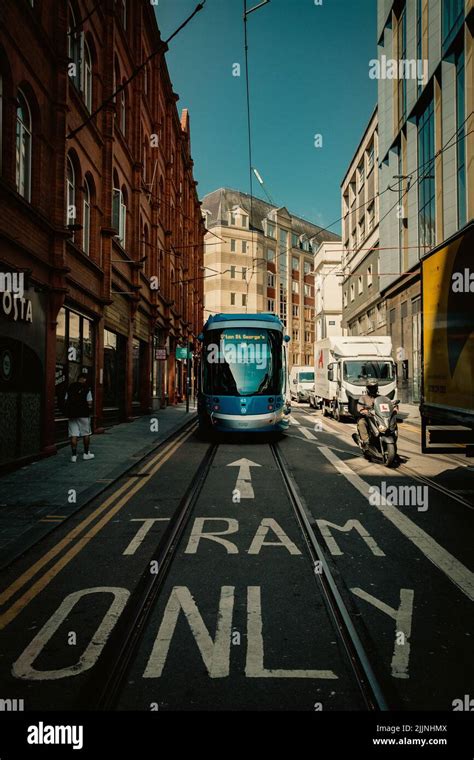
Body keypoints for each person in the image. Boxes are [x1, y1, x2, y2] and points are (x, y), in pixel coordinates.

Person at [64, 372, 95, 463]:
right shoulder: (86, 388)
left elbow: (66, 400)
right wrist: (88, 408)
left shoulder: (70, 387)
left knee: (73, 434)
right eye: (85, 379)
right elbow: (89, 402)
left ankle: (73, 456)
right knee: (86, 434)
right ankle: (86, 454)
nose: (85, 380)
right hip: (83, 414)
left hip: (72, 414)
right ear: (83, 379)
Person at [356, 378, 379, 448]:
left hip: (379, 418)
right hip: (367, 418)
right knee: (361, 423)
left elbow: (388, 403)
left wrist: (394, 408)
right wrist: (363, 410)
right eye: (371, 387)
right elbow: (359, 407)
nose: (373, 389)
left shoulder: (380, 397)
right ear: (367, 388)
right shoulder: (363, 398)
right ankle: (366, 441)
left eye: (374, 387)